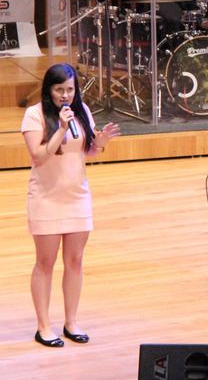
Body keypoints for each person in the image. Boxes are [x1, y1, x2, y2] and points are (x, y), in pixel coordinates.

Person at [21, 63, 121, 347]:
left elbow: (87, 151)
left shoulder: (82, 111)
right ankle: (43, 326)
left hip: (77, 197)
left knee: (75, 261)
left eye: (70, 89)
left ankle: (71, 322)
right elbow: (39, 156)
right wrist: (61, 128)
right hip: (46, 199)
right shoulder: (34, 115)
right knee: (45, 263)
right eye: (59, 89)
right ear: (48, 90)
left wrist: (100, 143)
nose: (65, 95)